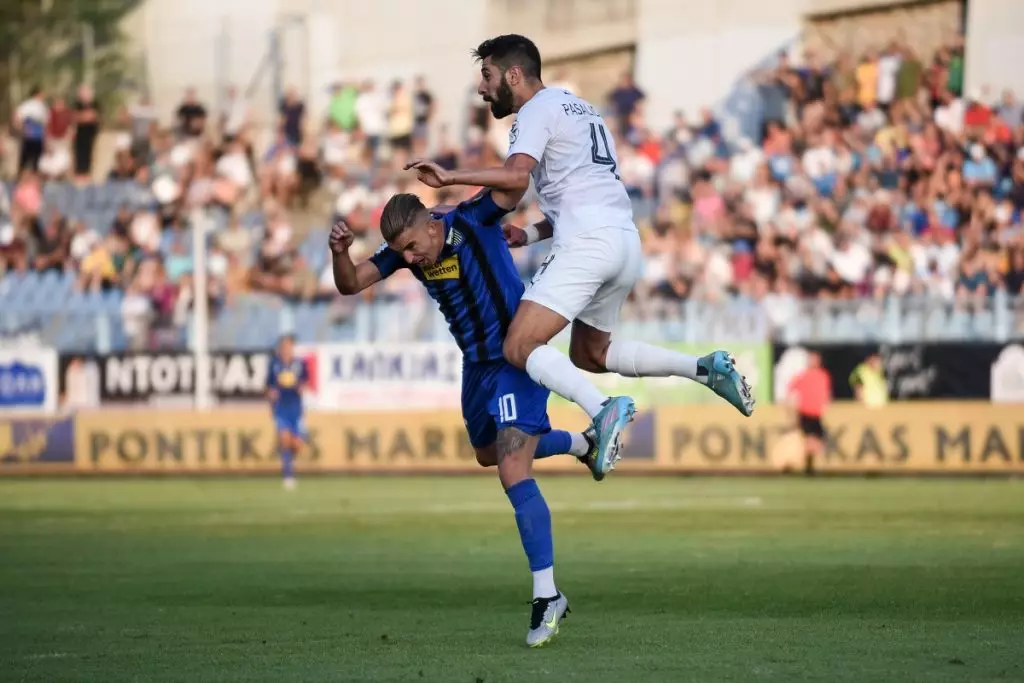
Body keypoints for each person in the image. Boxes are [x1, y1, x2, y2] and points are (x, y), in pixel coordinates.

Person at [404, 34, 754, 481]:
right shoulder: (584, 110)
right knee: (591, 352)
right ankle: (703, 369)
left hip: (587, 243)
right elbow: (585, 193)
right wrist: (530, 233)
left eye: (488, 76)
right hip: (623, 240)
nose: (482, 88)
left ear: (514, 74)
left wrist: (450, 175)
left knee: (518, 345)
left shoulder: (535, 110)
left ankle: (602, 409)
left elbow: (514, 178)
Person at [329, 187, 598, 648]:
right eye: (402, 253)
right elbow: (351, 283)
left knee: (513, 470)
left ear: (433, 224)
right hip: (475, 366)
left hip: (516, 355)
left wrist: (458, 174)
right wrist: (340, 253)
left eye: (413, 246)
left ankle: (546, 594)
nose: (411, 260)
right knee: (488, 454)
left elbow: (513, 182)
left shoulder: (472, 220)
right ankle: (583, 444)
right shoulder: (405, 254)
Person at [267, 335, 307, 491]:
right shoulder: (274, 365)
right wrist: (271, 395)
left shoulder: (299, 364)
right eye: (284, 346)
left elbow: (305, 382)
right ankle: (288, 474)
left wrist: (299, 386)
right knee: (284, 438)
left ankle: (289, 460)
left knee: (296, 445)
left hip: (296, 408)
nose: (286, 349)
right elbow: (269, 385)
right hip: (281, 408)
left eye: (289, 346)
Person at [787, 351, 831, 475]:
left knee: (817, 440)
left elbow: (826, 394)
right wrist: (791, 408)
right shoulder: (803, 375)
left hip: (817, 414)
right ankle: (808, 466)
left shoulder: (823, 375)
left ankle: (810, 464)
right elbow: (791, 390)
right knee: (809, 439)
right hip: (805, 412)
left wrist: (825, 405)